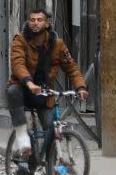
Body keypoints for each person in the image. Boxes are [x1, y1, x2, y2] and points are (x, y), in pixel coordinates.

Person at [8, 9, 88, 164]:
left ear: (47, 24)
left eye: (39, 20)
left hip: (44, 93)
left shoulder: (57, 44)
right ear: (28, 23)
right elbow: (17, 64)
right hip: (24, 90)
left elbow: (71, 68)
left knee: (51, 132)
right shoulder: (20, 40)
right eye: (32, 20)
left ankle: (53, 173)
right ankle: (22, 140)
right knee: (12, 91)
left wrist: (80, 87)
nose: (35, 23)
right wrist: (29, 83)